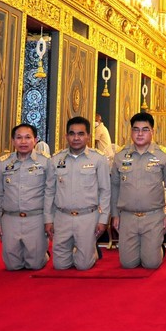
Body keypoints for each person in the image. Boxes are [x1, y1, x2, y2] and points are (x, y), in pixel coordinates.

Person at [110, 112, 166, 269]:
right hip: (127, 217)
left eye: (145, 129)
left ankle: (157, 248)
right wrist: (114, 214)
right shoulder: (120, 156)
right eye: (136, 129)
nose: (140, 134)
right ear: (131, 131)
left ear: (152, 132)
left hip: (153, 216)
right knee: (127, 264)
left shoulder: (163, 155)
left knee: (151, 264)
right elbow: (114, 186)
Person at [44, 116, 111, 270]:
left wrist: (103, 219)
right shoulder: (55, 160)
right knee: (60, 265)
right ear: (66, 136)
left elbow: (105, 191)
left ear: (88, 136)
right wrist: (48, 218)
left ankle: (91, 251)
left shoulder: (98, 159)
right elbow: (49, 192)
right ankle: (81, 250)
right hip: (62, 217)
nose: (76, 138)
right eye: (72, 134)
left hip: (87, 217)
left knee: (83, 265)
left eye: (81, 134)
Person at [0, 123, 54, 271]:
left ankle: (43, 254)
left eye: (28, 137)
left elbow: (50, 193)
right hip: (10, 219)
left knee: (35, 265)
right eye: (19, 138)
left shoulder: (45, 162)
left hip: (36, 219)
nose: (23, 142)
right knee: (12, 266)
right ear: (13, 141)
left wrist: (49, 220)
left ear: (36, 140)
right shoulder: (3, 163)